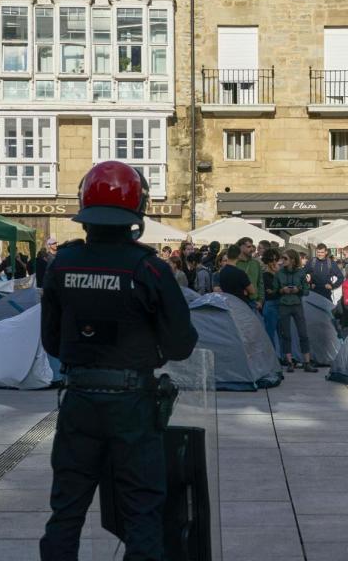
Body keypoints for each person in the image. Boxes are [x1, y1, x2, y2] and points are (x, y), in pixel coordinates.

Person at [39, 160, 198, 561]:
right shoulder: (150, 268)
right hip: (132, 404)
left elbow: (51, 342)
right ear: (137, 209)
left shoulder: (63, 265)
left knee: (66, 511)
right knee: (142, 511)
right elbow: (182, 344)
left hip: (78, 400)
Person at [276, 249, 315, 372]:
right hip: (283, 305)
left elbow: (307, 291)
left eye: (285, 258)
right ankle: (289, 362)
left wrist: (298, 290)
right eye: (282, 258)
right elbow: (274, 290)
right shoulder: (279, 273)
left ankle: (307, 362)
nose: (282, 261)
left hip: (297, 305)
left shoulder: (300, 273)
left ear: (292, 260)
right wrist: (282, 290)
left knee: (303, 333)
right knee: (286, 334)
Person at [261, 249, 282, 357]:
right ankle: (272, 357)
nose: (274, 262)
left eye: (275, 259)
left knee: (282, 333)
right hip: (271, 305)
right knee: (270, 333)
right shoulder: (265, 275)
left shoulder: (279, 273)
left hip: (281, 305)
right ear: (266, 261)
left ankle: (283, 357)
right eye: (271, 260)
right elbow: (271, 292)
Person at [234, 237, 264, 311]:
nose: (252, 249)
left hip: (254, 302)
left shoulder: (256, 263)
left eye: (252, 246)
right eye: (248, 247)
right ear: (241, 247)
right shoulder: (234, 263)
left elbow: (260, 283)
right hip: (238, 302)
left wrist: (260, 300)